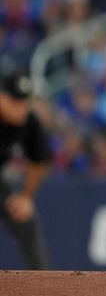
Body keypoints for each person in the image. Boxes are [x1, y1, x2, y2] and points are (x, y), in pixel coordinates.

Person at [0, 71, 52, 269]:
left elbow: (40, 159)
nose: (21, 108)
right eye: (15, 101)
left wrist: (26, 196)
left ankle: (41, 283)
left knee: (25, 217)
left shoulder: (28, 121)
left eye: (24, 102)